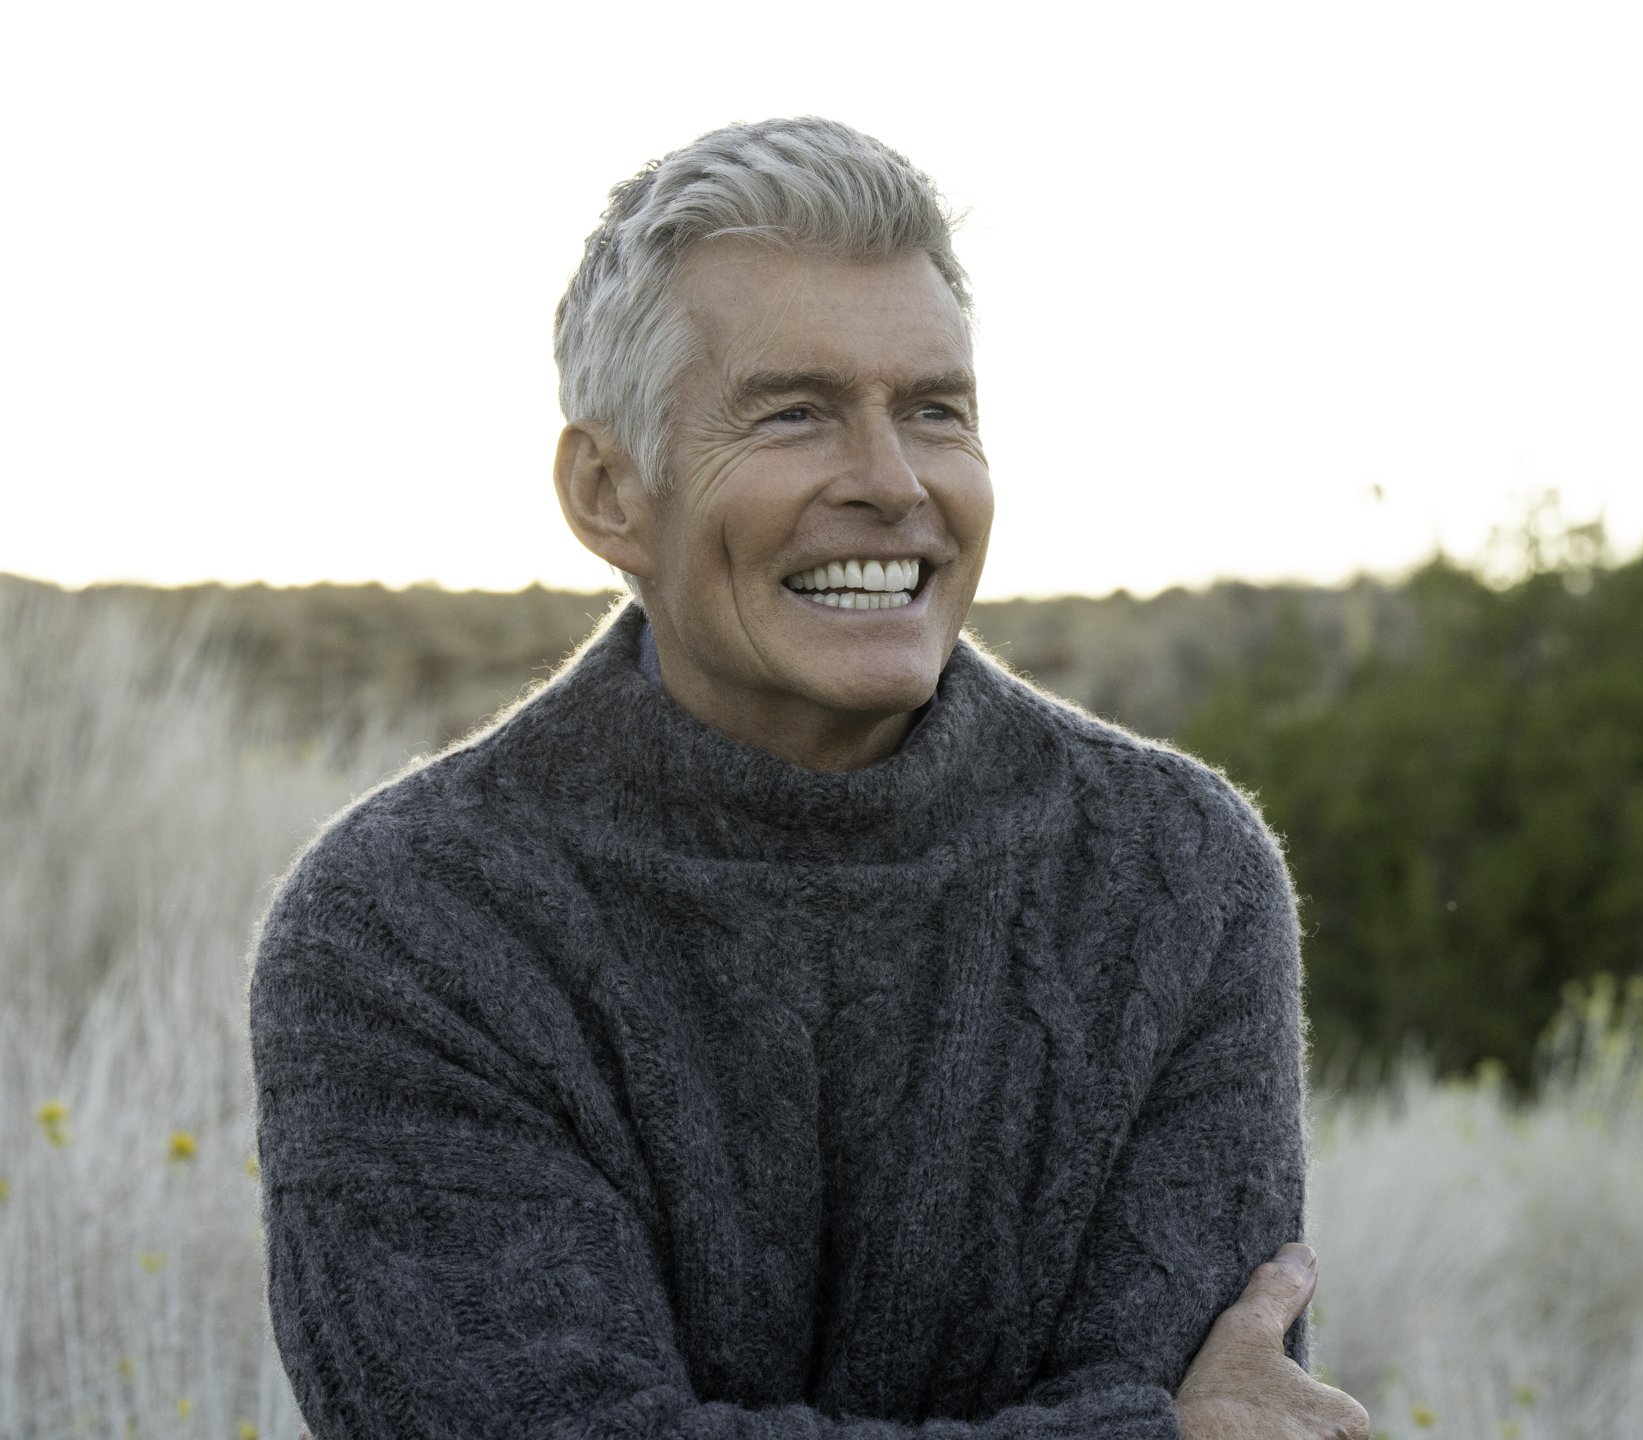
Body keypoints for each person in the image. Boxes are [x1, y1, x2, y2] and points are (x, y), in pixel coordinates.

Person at [250, 116, 1370, 1440]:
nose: (894, 485)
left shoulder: (1172, 874)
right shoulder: (408, 924)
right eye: (795, 413)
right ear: (609, 491)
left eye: (935, 411)